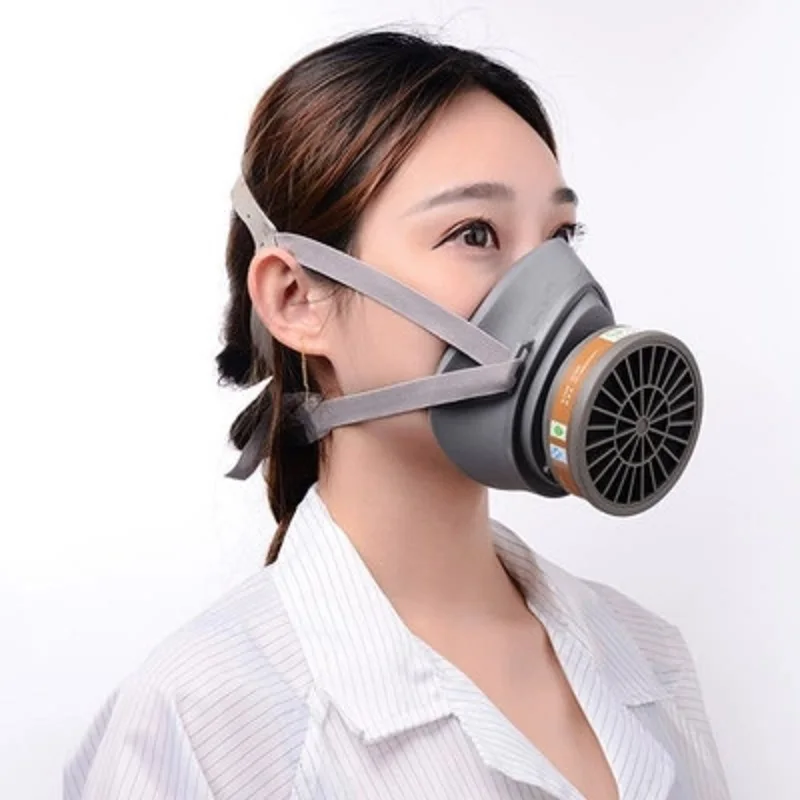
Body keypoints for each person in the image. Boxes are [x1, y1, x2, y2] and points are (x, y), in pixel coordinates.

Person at [64, 29, 730, 800]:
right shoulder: (202, 720)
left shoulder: (653, 660)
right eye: (474, 233)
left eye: (560, 236)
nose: (560, 292)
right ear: (296, 299)